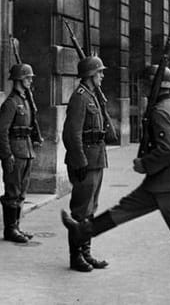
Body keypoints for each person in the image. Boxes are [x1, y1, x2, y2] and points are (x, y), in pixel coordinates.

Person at [61, 66, 170, 304]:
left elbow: (167, 151)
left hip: (166, 184)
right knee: (124, 209)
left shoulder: (159, 111)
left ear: (152, 85)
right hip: (165, 181)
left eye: (145, 84)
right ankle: (81, 231)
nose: (142, 88)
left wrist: (144, 164)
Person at [62, 55, 110, 272]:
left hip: (96, 159)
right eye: (99, 72)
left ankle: (86, 253)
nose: (102, 75)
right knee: (81, 210)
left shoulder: (93, 96)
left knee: (91, 209)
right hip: (85, 161)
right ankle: (76, 257)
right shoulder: (80, 98)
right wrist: (79, 160)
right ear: (90, 74)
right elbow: (71, 134)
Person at [0, 63, 41, 243]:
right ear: (19, 79)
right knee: (12, 192)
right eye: (27, 78)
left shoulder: (26, 101)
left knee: (21, 192)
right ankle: (10, 230)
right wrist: (6, 156)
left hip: (26, 150)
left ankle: (17, 226)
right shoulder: (11, 103)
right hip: (15, 152)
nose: (30, 80)